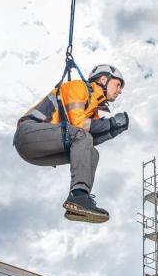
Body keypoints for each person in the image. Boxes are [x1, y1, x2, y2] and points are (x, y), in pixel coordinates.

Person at [13, 64, 129, 223]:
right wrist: (111, 123)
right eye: (118, 84)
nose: (120, 90)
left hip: (36, 153)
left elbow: (87, 142)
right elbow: (79, 125)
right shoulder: (78, 87)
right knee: (82, 136)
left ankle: (79, 202)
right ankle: (78, 196)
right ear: (103, 79)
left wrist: (112, 131)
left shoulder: (92, 109)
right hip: (27, 134)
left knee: (91, 152)